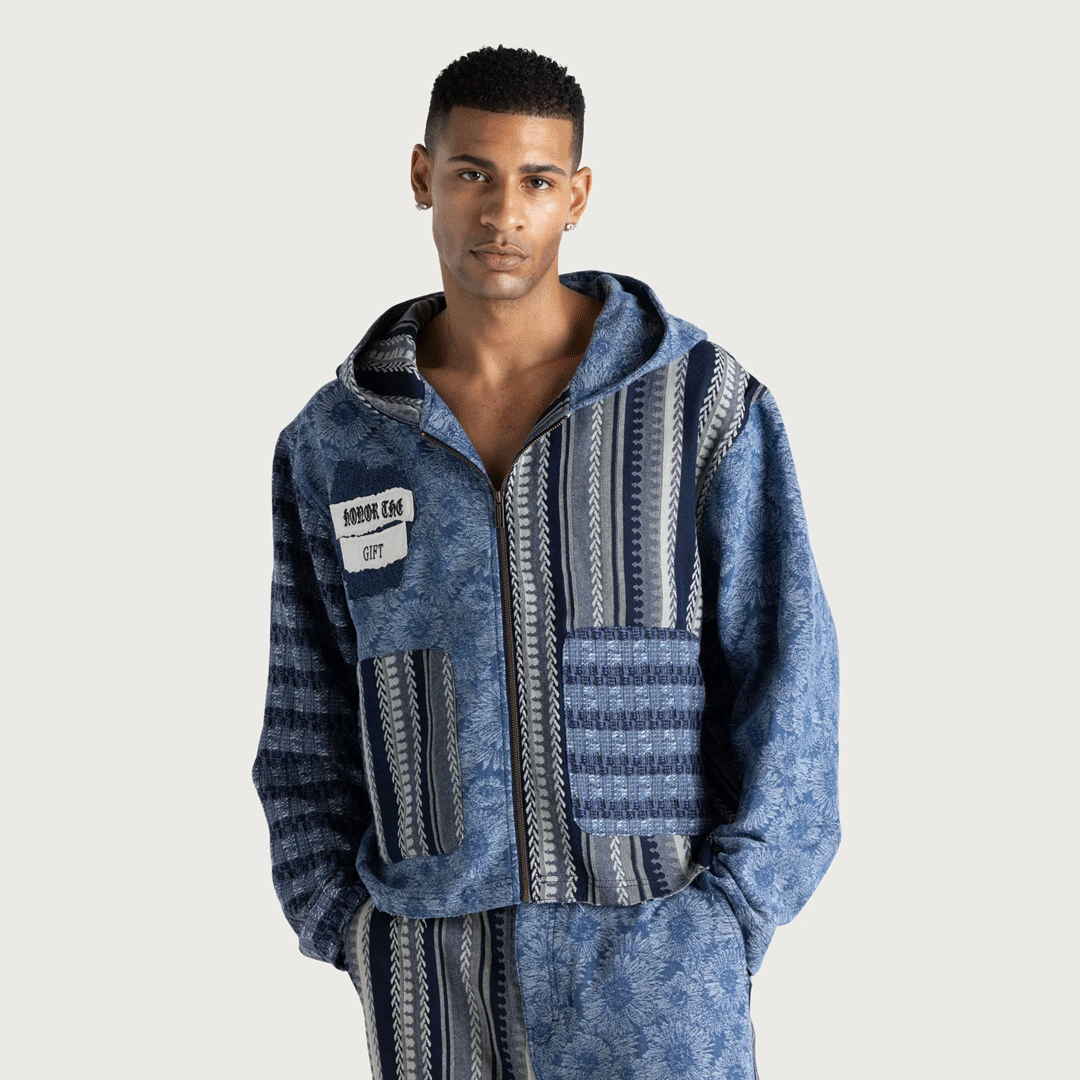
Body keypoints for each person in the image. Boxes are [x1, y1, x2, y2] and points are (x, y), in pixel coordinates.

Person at [253, 44, 840, 1080]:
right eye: (472, 173)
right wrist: (346, 922)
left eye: (534, 181)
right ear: (422, 176)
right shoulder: (338, 441)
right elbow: (308, 712)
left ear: (577, 195)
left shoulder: (697, 405)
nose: (502, 213)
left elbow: (790, 671)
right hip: (431, 982)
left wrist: (732, 913)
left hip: (655, 965)